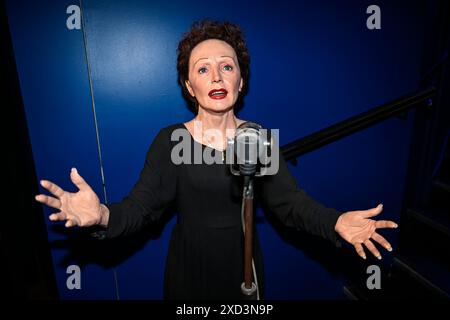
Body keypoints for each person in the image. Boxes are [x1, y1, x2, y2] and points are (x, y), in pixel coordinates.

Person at [35, 20, 398, 300]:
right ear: (189, 86)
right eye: (203, 68)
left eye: (227, 66)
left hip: (245, 269)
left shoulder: (258, 138)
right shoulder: (170, 140)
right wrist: (103, 216)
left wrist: (334, 222)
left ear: (240, 81)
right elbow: (141, 208)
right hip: (189, 270)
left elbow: (291, 205)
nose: (216, 76)